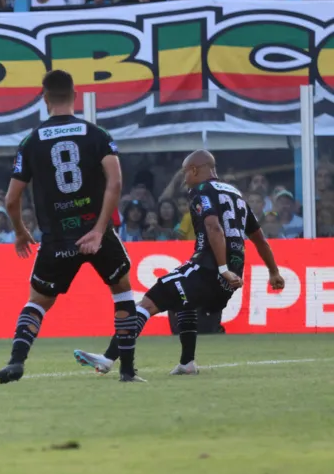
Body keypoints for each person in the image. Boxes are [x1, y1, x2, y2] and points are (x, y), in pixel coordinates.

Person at [0, 70, 141, 384]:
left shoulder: (31, 141)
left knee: (37, 303)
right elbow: (116, 181)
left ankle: (16, 361)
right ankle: (127, 371)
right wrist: (97, 229)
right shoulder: (97, 134)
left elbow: (12, 200)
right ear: (75, 95)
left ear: (44, 99)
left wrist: (20, 231)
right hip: (97, 235)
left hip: (56, 240)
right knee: (122, 294)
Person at [74, 150, 285, 377]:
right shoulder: (236, 194)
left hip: (209, 268)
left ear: (195, 169)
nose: (185, 179)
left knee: (149, 301)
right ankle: (187, 363)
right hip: (232, 276)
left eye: (185, 173)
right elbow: (259, 239)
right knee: (184, 303)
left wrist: (222, 268)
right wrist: (274, 272)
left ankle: (107, 359)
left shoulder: (201, 190)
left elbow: (214, 227)